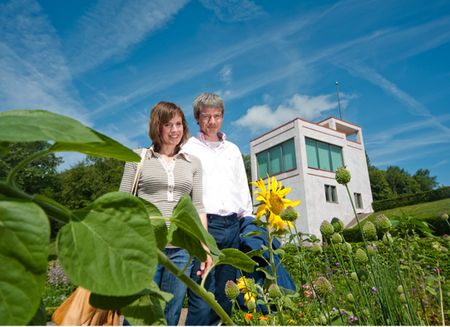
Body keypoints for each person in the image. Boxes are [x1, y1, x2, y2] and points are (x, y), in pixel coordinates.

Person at [119, 101, 211, 326]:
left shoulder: (193, 163)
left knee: (171, 314)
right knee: (139, 314)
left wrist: (205, 248)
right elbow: (122, 203)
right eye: (168, 124)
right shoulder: (138, 158)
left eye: (179, 124)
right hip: (145, 248)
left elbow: (198, 207)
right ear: (156, 127)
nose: (175, 130)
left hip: (181, 250)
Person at [183, 92, 254, 325]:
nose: (211, 121)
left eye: (216, 116)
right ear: (197, 118)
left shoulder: (233, 150)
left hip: (233, 225)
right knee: (202, 291)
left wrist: (248, 219)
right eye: (206, 117)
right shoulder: (189, 148)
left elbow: (241, 186)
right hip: (205, 226)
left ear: (222, 117)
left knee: (226, 292)